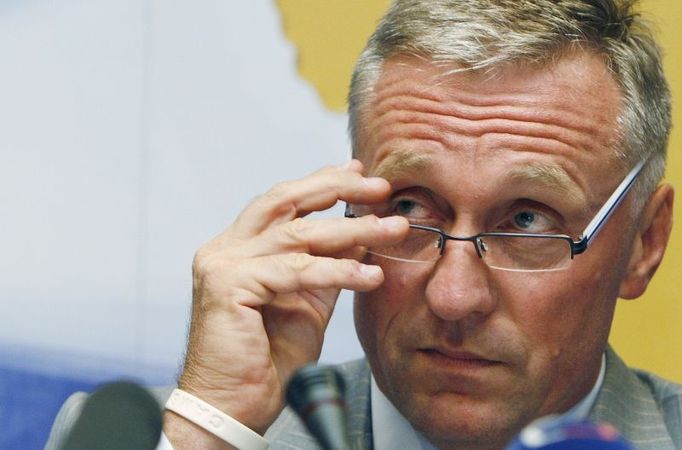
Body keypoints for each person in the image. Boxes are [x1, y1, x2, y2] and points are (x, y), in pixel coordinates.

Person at [47, 0, 681, 449]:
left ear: (643, 246)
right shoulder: (155, 438)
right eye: (409, 208)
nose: (453, 296)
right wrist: (210, 433)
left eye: (526, 220)